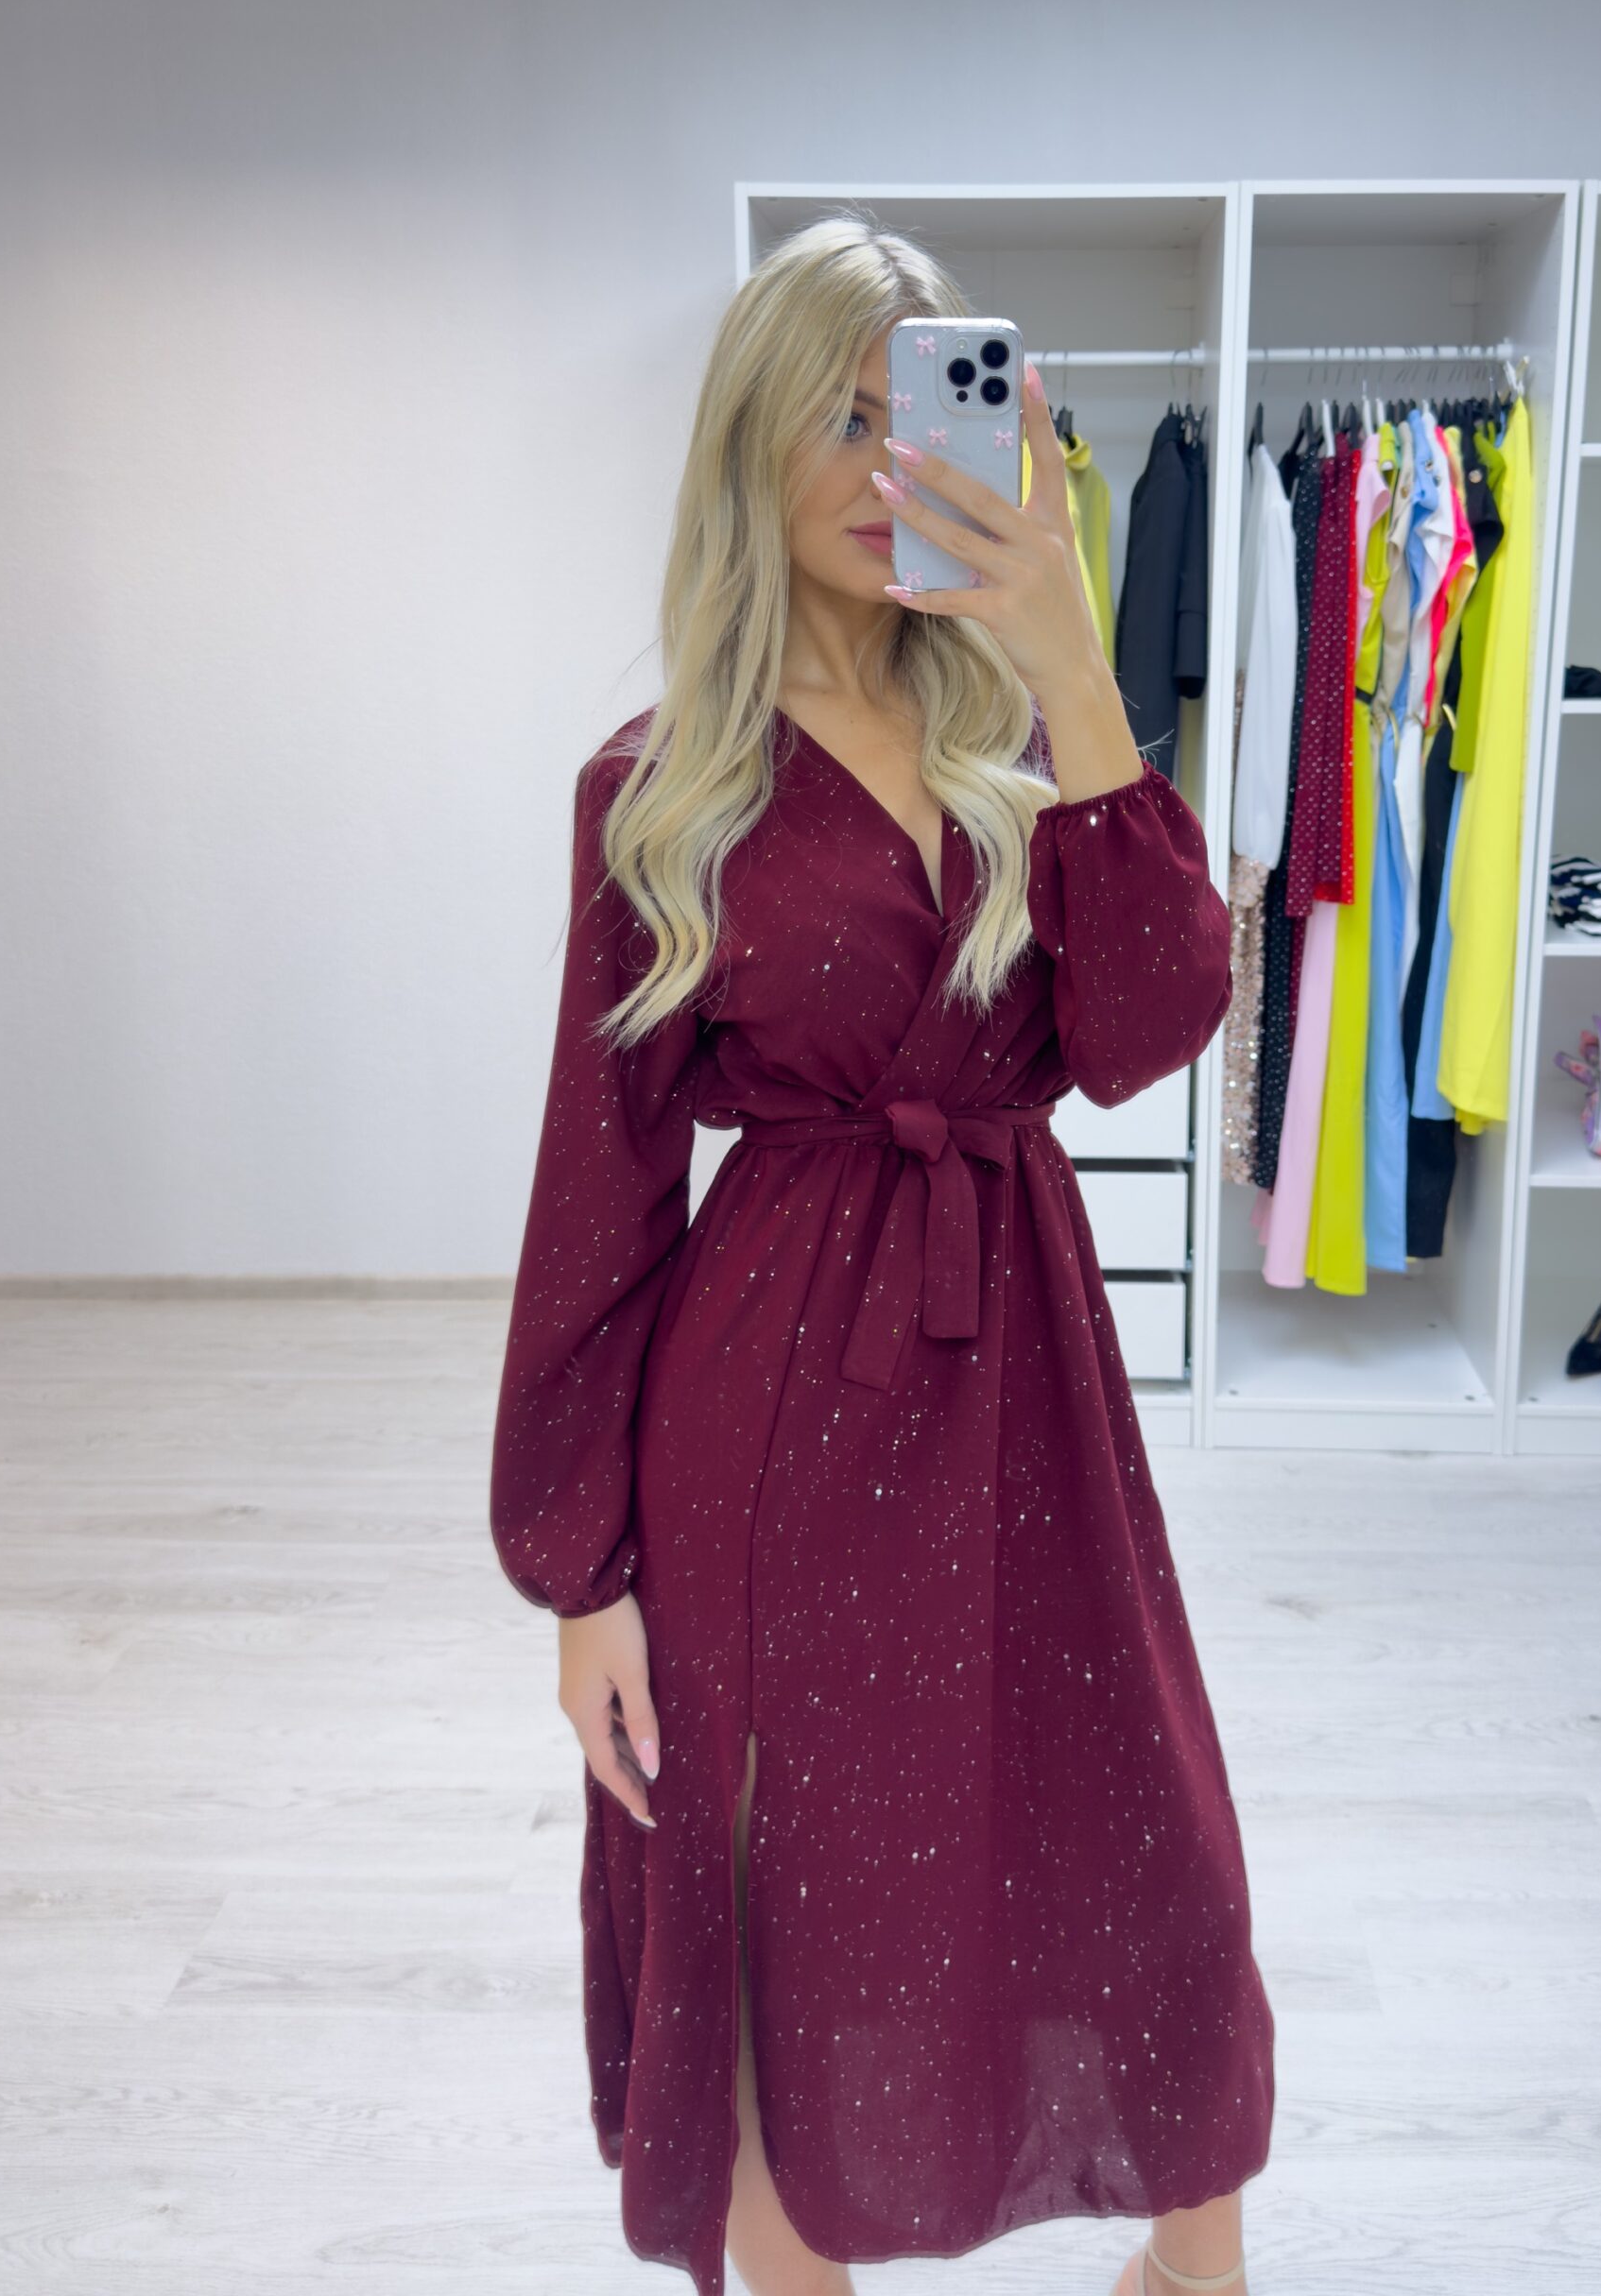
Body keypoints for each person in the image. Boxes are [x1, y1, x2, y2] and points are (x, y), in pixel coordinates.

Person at [490, 214, 1275, 2296]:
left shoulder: (1025, 749)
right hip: (773, 1400)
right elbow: (597, 1183)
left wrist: (1075, 654)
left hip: (1031, 1377)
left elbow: (1151, 1032)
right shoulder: (657, 789)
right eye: (832, 415)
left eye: (916, 412)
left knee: (1146, 1844)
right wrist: (579, 1579)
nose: (880, 462)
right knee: (790, 1894)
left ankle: (1189, 2260)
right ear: (748, 441)